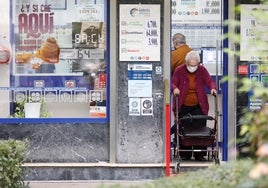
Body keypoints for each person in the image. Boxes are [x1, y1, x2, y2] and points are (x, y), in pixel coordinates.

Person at [171, 50, 217, 161]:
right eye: (191, 65)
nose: (193, 67)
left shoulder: (201, 70)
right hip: (183, 104)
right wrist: (175, 89)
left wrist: (212, 88)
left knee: (200, 128)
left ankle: (199, 154)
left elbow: (209, 81)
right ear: (186, 62)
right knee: (183, 128)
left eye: (195, 65)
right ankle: (184, 154)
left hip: (199, 105)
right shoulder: (180, 70)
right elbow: (173, 82)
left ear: (198, 63)